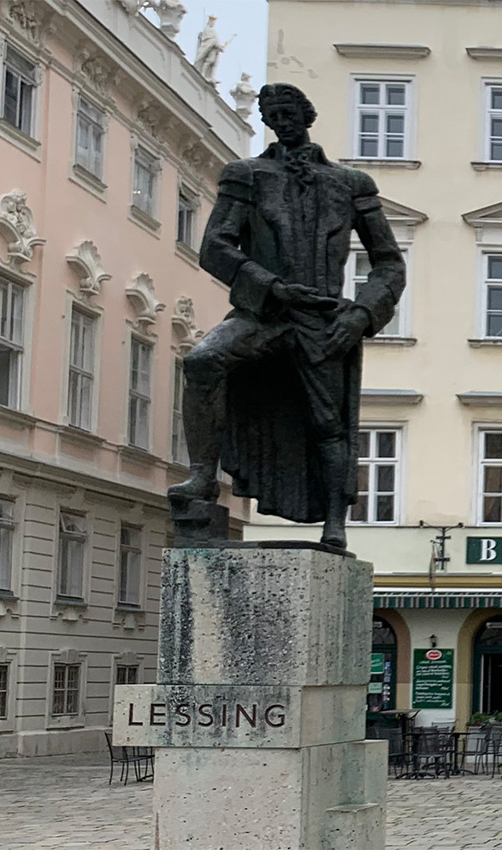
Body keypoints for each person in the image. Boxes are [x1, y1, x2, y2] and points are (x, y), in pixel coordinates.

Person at [168, 83, 406, 548]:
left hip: (324, 320)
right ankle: (201, 477)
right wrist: (268, 284)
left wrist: (360, 315)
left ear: (306, 114)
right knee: (202, 361)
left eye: (288, 110)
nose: (281, 120)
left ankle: (335, 521)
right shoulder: (246, 174)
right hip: (264, 312)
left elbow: (390, 261)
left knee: (328, 422)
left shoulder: (351, 183)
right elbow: (215, 246)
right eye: (271, 113)